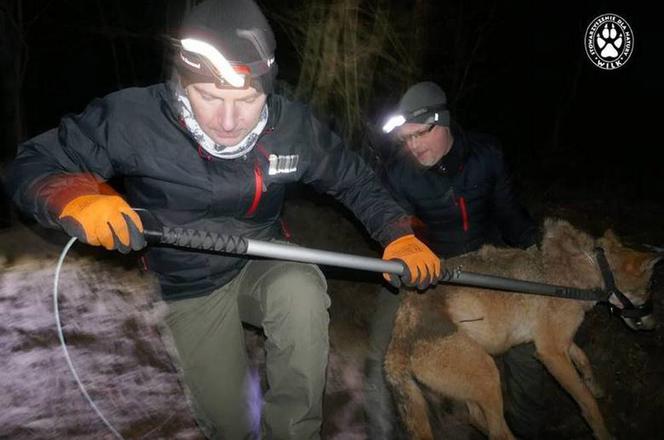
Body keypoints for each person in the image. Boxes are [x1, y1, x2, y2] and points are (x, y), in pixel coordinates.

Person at [5, 2, 443, 439]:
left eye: (247, 99)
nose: (229, 121)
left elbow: (355, 181)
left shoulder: (293, 128)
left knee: (301, 289)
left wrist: (399, 234)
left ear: (267, 89)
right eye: (210, 97)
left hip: (263, 258)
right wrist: (77, 196)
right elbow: (34, 163)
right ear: (184, 84)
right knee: (230, 423)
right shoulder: (136, 119)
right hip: (188, 284)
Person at [364, 81, 548, 439]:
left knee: (528, 350)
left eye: (420, 134)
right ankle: (384, 431)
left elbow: (511, 216)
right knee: (385, 351)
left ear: (443, 121)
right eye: (406, 139)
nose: (413, 146)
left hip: (490, 263)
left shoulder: (486, 154)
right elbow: (394, 224)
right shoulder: (399, 173)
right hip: (430, 267)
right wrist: (402, 251)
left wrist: (536, 253)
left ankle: (528, 429)